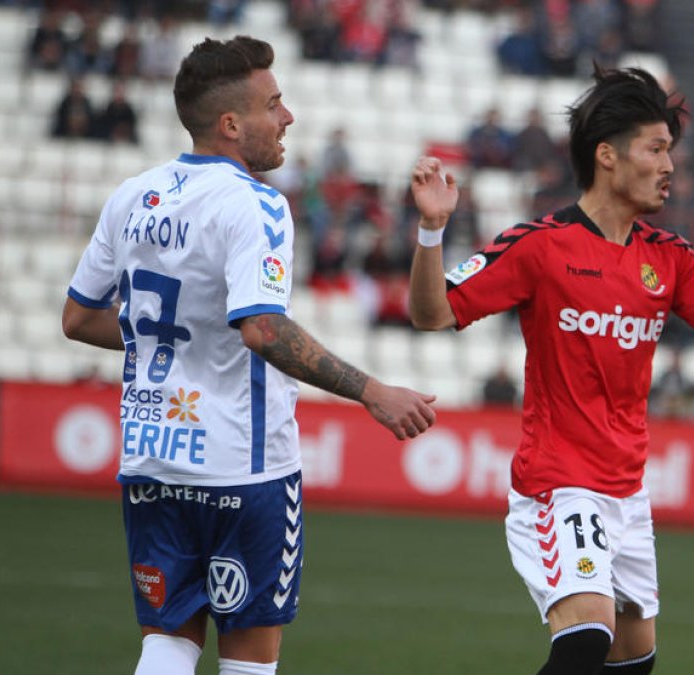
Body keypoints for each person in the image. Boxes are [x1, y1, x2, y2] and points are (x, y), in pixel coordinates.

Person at [407, 65, 694, 675]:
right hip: (558, 482)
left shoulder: (669, 257)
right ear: (607, 156)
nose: (669, 165)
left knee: (634, 658)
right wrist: (431, 232)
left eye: (670, 150)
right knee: (584, 639)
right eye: (655, 149)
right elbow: (432, 312)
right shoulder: (539, 245)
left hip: (627, 491)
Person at [61, 35, 436, 675]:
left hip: (154, 458)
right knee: (249, 662)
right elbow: (262, 329)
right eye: (274, 103)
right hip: (245, 467)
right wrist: (373, 391)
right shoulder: (256, 203)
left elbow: (79, 317)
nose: (287, 117)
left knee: (167, 644)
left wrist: (182, 334)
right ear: (232, 124)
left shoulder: (132, 195)